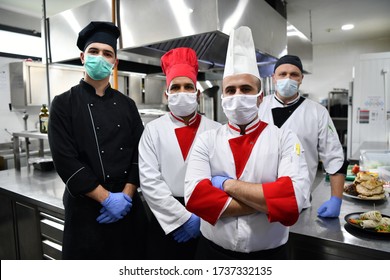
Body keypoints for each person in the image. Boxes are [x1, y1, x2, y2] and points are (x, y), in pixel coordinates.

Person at [184, 26, 310, 260]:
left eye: (245, 89)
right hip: (212, 253)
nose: (237, 95)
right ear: (222, 98)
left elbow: (292, 203)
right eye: (230, 90)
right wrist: (269, 202)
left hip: (269, 255)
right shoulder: (207, 140)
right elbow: (195, 198)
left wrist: (226, 186)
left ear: (260, 97)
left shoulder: (284, 138)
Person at [48, 21, 148, 259]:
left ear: (115, 62)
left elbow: (140, 153)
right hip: (86, 213)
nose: (100, 58)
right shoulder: (63, 104)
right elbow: (65, 160)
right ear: (83, 57)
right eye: (94, 52)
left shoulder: (127, 105)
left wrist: (126, 196)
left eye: (107, 53)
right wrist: (106, 199)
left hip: (127, 210)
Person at [138, 47, 221, 259]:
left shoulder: (215, 130)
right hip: (167, 221)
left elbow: (222, 179)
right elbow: (150, 182)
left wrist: (200, 219)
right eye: (175, 88)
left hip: (206, 220)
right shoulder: (153, 130)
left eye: (188, 87)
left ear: (198, 93)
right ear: (167, 94)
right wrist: (183, 219)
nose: (182, 92)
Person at [258, 54, 348, 218]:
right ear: (274, 78)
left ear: (301, 79)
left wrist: (336, 199)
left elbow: (334, 157)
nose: (288, 78)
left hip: (298, 201)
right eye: (282, 74)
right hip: (257, 200)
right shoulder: (259, 107)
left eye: (294, 75)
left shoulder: (317, 112)